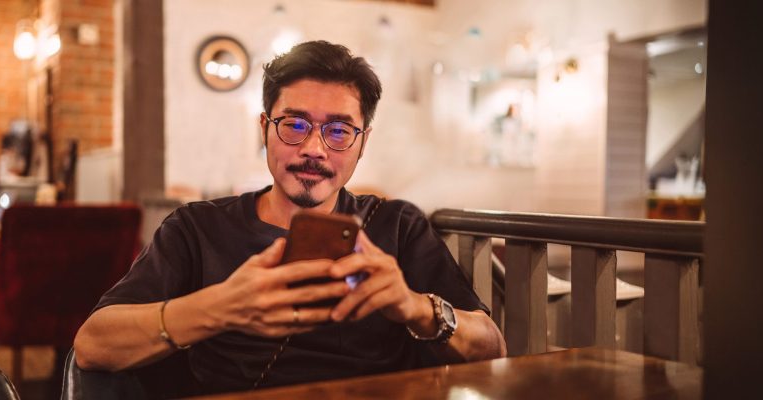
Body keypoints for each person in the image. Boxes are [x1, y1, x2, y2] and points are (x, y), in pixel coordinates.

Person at [74, 40, 506, 394]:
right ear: (264, 128)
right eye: (294, 125)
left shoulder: (396, 226)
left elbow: (492, 347)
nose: (314, 149)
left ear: (362, 142)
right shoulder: (198, 228)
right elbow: (93, 345)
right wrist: (221, 307)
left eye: (338, 131)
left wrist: (414, 307)